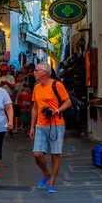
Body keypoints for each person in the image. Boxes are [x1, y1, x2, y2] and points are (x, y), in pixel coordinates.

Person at [30, 62, 72, 193]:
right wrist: (32, 127)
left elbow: (68, 102)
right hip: (41, 125)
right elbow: (35, 108)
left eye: (36, 70)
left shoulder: (57, 85)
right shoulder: (36, 87)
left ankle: (52, 183)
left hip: (56, 124)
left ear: (44, 72)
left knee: (55, 154)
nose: (34, 72)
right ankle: (46, 173)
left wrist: (57, 111)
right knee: (37, 154)